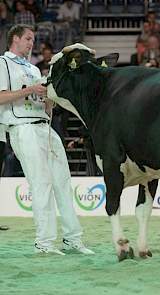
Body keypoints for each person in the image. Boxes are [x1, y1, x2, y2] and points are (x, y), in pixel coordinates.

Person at [0, 24, 94, 255]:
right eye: (28, 38)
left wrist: (49, 97)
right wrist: (30, 89)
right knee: (41, 184)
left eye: (33, 39)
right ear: (15, 39)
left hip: (45, 126)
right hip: (23, 128)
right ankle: (44, 243)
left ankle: (73, 239)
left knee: (63, 182)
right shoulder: (2, 63)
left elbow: (46, 105)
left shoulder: (33, 68)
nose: (32, 43)